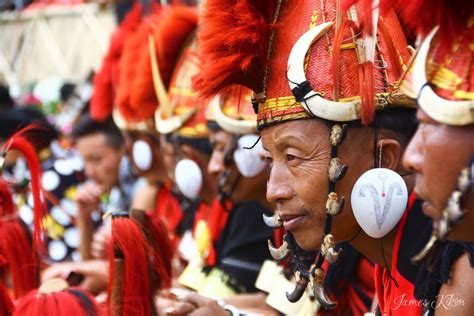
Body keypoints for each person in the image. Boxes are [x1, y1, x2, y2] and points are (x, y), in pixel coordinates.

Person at [192, 1, 434, 315]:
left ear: (384, 158)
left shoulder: (454, 274)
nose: (273, 190)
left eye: (292, 157)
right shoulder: (390, 263)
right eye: (269, 160)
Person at [71, 113, 144, 260]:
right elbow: (87, 264)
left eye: (96, 159)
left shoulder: (144, 188)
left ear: (124, 149)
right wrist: (84, 218)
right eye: (85, 162)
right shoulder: (116, 193)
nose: (89, 171)